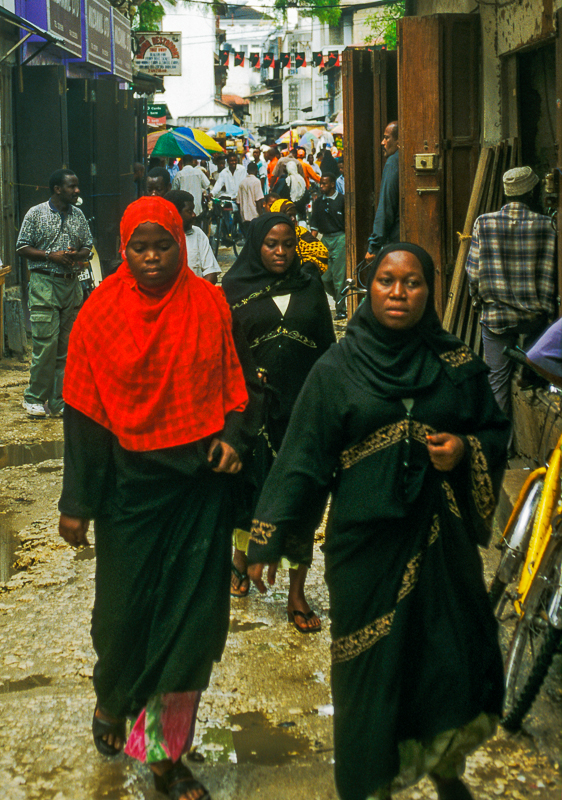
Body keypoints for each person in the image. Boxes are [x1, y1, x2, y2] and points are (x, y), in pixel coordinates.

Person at [247, 242, 509, 800]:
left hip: (442, 546)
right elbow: (302, 461)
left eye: (412, 282)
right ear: (369, 289)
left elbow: (493, 430)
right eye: (387, 281)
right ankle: (369, 786)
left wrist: (464, 450)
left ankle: (444, 768)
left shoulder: (455, 364)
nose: (398, 293)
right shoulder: (338, 370)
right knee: (370, 676)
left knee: (445, 661)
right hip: (365, 550)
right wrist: (267, 538)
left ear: (428, 290)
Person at [57, 196, 262, 800]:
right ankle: (112, 699)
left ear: (181, 242)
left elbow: (237, 382)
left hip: (198, 489)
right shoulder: (98, 314)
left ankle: (166, 756)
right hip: (128, 492)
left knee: (189, 628)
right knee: (121, 620)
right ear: (124, 250)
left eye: (163, 246)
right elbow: (85, 416)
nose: (151, 258)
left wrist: (232, 437)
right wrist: (78, 502)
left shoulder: (209, 304)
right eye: (139, 248)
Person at [222, 214, 335, 631]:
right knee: (248, 490)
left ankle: (296, 591)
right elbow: (224, 356)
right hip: (249, 412)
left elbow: (328, 348)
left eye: (288, 244)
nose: (281, 252)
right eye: (271, 244)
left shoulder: (311, 287)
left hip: (302, 412)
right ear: (256, 245)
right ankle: (240, 560)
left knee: (300, 499)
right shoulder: (234, 291)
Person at [466, 166, 556, 417]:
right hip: (534, 320)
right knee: (535, 380)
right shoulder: (547, 225)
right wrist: (547, 313)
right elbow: (550, 277)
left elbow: (472, 273)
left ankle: (501, 450)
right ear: (531, 193)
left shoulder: (484, 223)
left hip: (496, 318)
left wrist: (480, 303)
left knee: (497, 381)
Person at [16, 168, 93, 418]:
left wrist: (75, 255)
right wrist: (51, 255)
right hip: (44, 285)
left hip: (71, 287)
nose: (77, 190)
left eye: (77, 186)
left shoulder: (79, 216)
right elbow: (22, 247)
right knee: (45, 346)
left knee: (67, 349)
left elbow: (88, 249)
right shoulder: (35, 214)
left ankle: (59, 401)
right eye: (72, 186)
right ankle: (34, 398)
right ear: (58, 189)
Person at [310, 172, 347, 319]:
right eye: (321, 183)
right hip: (325, 239)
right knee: (324, 277)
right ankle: (338, 299)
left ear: (332, 184)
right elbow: (314, 226)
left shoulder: (342, 200)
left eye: (324, 183)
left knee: (339, 277)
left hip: (340, 238)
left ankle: (341, 309)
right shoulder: (318, 202)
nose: (321, 186)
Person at [165, 190, 221, 284]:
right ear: (174, 213)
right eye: (189, 211)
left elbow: (211, 274)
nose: (194, 215)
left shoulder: (198, 234)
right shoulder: (161, 236)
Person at [365, 122, 400, 262]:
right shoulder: (399, 159)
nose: (382, 142)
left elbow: (385, 207)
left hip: (394, 242)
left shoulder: (393, 162)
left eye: (387, 138)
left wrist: (373, 247)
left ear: (399, 140)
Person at [269, 199, 328, 275]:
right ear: (279, 215)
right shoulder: (270, 234)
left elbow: (321, 252)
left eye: (294, 215)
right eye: (289, 215)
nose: (293, 219)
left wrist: (303, 263)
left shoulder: (300, 232)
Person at [172, 155, 210, 219]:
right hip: (197, 208)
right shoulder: (199, 172)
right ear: (192, 162)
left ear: (183, 162)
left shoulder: (179, 174)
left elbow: (174, 191)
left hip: (184, 208)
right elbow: (207, 185)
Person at [236, 162, 265, 232]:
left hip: (245, 216)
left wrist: (241, 215)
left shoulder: (242, 183)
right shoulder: (256, 182)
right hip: (254, 215)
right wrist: (261, 215)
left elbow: (238, 202)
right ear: (256, 171)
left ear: (247, 171)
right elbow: (258, 200)